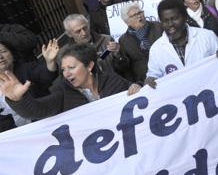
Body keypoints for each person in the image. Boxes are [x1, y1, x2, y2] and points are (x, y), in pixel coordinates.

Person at [1, 44, 140, 120]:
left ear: (89, 66)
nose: (66, 74)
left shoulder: (110, 79)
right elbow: (37, 110)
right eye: (63, 69)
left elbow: (135, 89)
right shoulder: (61, 92)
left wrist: (138, 86)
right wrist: (18, 99)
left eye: (71, 68)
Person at [145, 0, 218, 83]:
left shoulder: (207, 36)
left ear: (185, 17)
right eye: (165, 21)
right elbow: (154, 75)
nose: (170, 24)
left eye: (174, 18)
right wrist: (151, 80)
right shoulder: (156, 49)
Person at [0, 39, 59, 131]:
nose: (0, 57)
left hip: (46, 122)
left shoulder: (26, 68)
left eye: (3, 51)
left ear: (12, 53)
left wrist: (50, 62)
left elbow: (47, 75)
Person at [117, 3, 163, 82]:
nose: (139, 16)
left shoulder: (158, 27)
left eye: (140, 12)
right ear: (127, 21)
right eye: (134, 15)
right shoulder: (123, 40)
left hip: (165, 71)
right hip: (144, 81)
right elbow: (126, 68)